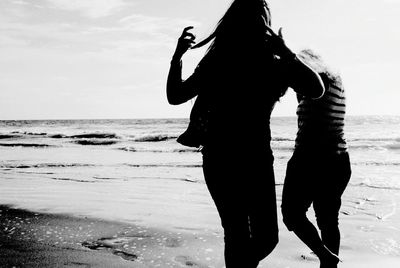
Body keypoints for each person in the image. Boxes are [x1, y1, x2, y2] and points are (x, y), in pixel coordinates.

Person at [167, 1, 325, 267]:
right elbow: (316, 89)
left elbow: (315, 88)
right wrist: (286, 52)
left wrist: (178, 57)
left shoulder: (236, 60)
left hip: (227, 159)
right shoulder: (267, 62)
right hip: (248, 158)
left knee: (242, 235)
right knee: (257, 237)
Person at [281, 49, 351, 268]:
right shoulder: (334, 81)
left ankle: (325, 256)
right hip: (338, 159)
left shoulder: (318, 83)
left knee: (292, 215)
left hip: (311, 159)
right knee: (328, 220)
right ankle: (329, 264)